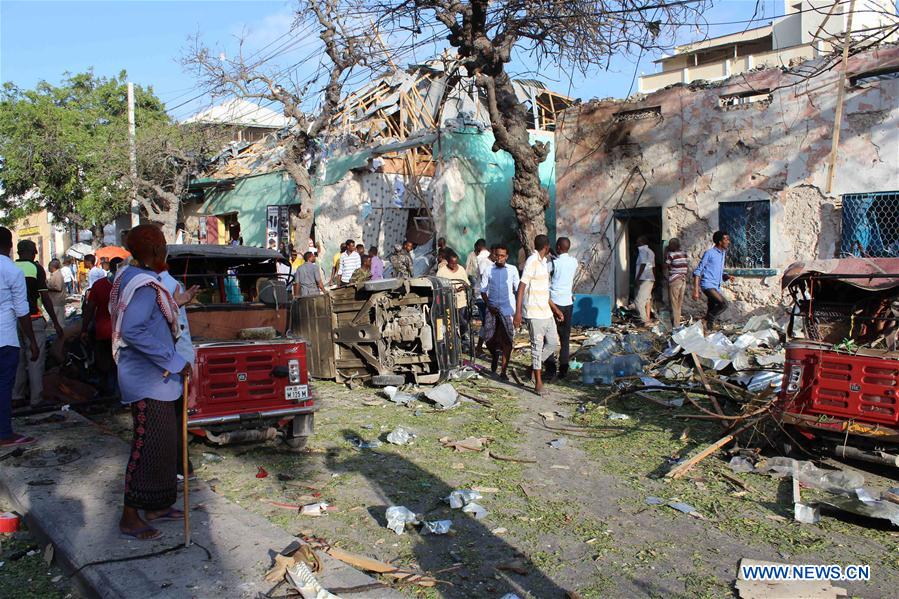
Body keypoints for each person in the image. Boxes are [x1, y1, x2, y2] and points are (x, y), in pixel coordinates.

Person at [110, 224, 197, 540]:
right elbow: (134, 331)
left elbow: (152, 319)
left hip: (158, 380)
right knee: (146, 447)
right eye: (162, 244)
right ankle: (129, 516)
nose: (166, 250)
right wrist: (175, 361)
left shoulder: (133, 277)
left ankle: (157, 505)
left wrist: (180, 301)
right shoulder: (144, 284)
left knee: (163, 447)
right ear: (153, 250)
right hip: (148, 380)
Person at [13, 240, 64, 408]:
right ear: (31, 251)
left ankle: (17, 396)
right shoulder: (35, 268)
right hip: (33, 318)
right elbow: (45, 298)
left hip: (13, 321)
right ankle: (36, 398)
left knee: (19, 359)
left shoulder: (11, 267)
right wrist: (55, 322)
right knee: (35, 358)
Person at [0, 226, 39, 446]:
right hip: (5, 337)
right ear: (10, 246)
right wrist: (32, 341)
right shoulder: (13, 271)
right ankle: (4, 433)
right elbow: (22, 310)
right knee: (4, 386)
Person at [514, 235, 560, 393]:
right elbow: (521, 287)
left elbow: (544, 292)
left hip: (546, 312)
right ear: (547, 247)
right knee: (537, 346)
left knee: (553, 343)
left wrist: (555, 309)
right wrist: (518, 313)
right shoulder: (532, 261)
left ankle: (533, 367)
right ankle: (538, 383)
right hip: (534, 313)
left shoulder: (544, 263)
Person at [480, 245, 518, 380]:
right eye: (498, 255)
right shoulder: (488, 269)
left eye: (502, 256)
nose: (500, 258)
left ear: (506, 256)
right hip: (492, 309)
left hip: (507, 310)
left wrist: (518, 312)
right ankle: (494, 355)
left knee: (507, 341)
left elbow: (518, 290)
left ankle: (503, 371)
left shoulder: (513, 270)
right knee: (489, 339)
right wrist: (489, 305)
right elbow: (483, 291)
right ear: (494, 255)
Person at [82, 258, 116, 396]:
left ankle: (107, 391)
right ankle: (117, 393)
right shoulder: (127, 285)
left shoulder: (99, 284)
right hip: (121, 333)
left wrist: (84, 328)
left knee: (103, 363)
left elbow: (90, 308)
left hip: (102, 330)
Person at [547, 237, 577, 379]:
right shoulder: (574, 262)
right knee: (565, 338)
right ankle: (564, 369)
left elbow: (548, 272)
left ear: (558, 247)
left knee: (550, 337)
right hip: (568, 302)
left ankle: (551, 368)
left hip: (554, 303)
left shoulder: (553, 263)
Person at [692, 230, 732, 329]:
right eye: (726, 239)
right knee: (723, 304)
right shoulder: (709, 253)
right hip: (708, 285)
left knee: (711, 308)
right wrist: (696, 291)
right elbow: (697, 272)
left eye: (728, 239)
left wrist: (727, 276)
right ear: (720, 242)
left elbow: (718, 271)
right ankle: (706, 319)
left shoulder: (722, 254)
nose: (728, 242)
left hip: (716, 286)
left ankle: (707, 331)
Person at [437, 250, 470, 342]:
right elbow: (439, 287)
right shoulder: (442, 271)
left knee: (463, 321)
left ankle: (463, 336)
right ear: (448, 262)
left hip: (461, 301)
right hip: (449, 301)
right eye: (452, 264)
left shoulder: (461, 269)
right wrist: (451, 290)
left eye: (456, 263)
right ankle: (452, 339)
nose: (454, 265)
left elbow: (467, 283)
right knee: (450, 321)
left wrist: (462, 287)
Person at [664, 238, 690, 327]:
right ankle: (677, 323)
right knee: (679, 303)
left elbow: (665, 266)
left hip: (675, 280)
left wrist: (665, 253)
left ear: (674, 245)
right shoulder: (684, 253)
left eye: (670, 245)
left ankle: (676, 325)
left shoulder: (671, 255)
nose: (669, 246)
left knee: (674, 303)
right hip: (683, 280)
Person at [634, 236, 655, 324]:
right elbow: (653, 267)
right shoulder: (651, 252)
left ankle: (645, 321)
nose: (636, 242)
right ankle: (647, 319)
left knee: (638, 302)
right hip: (650, 278)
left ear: (642, 242)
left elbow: (643, 264)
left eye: (638, 241)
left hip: (644, 278)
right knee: (647, 300)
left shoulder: (642, 250)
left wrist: (637, 277)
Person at [47, 258, 67, 326]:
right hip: (55, 301)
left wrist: (48, 287)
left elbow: (58, 287)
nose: (48, 268)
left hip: (57, 301)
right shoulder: (54, 274)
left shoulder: (57, 275)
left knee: (59, 323)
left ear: (52, 267)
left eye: (49, 266)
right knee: (55, 322)